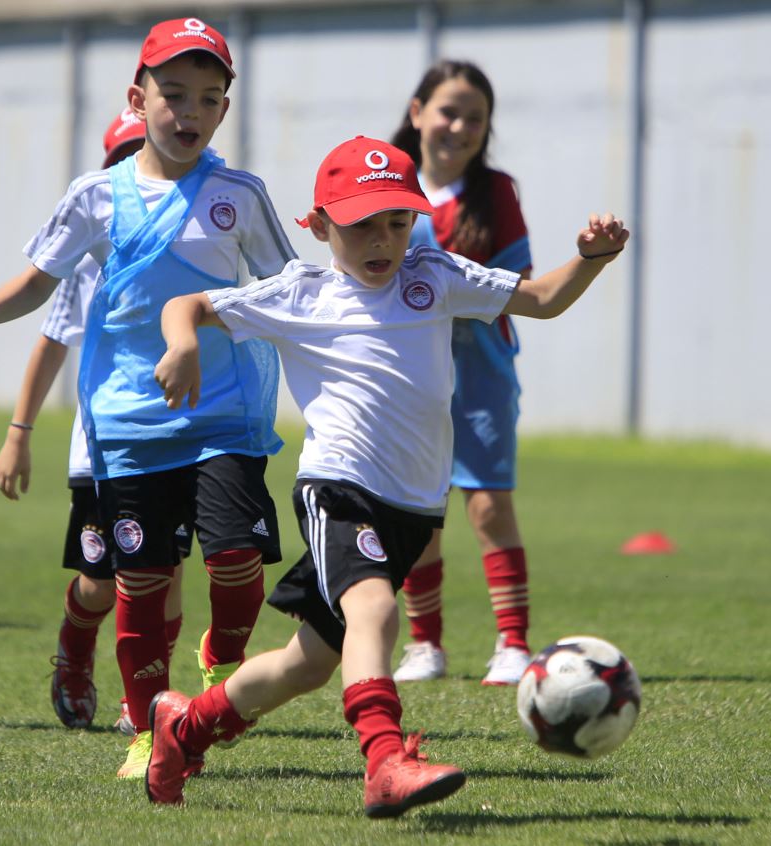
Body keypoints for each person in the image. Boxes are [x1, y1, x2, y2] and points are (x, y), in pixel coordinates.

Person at [145, 135, 627, 816]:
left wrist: (591, 258)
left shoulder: (434, 274)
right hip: (338, 488)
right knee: (375, 611)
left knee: (308, 663)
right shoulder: (301, 293)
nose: (383, 241)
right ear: (319, 225)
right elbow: (186, 306)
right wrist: (183, 344)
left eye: (398, 223)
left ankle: (184, 728)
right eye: (361, 225)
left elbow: (543, 299)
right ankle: (384, 761)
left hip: (412, 510)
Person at [0, 17, 297, 778]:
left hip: (223, 415)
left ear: (224, 110)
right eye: (173, 94)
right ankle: (148, 730)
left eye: (207, 98)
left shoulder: (239, 196)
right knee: (141, 581)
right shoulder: (95, 197)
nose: (189, 112)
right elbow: (38, 283)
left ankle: (221, 661)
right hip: (129, 423)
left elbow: (285, 289)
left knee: (235, 558)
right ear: (137, 100)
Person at [0, 107, 187, 734]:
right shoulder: (86, 258)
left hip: (179, 436)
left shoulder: (197, 238)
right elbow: (51, 345)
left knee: (165, 573)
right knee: (103, 583)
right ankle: (75, 647)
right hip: (103, 446)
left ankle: (145, 696)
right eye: (125, 157)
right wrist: (18, 434)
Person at [389, 60, 535, 685]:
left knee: (488, 506)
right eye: (449, 111)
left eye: (476, 118)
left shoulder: (495, 192)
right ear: (418, 112)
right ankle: (426, 646)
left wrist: (446, 288)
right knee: (420, 511)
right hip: (408, 379)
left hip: (479, 376)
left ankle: (513, 644)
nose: (460, 127)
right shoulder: (389, 185)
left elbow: (519, 284)